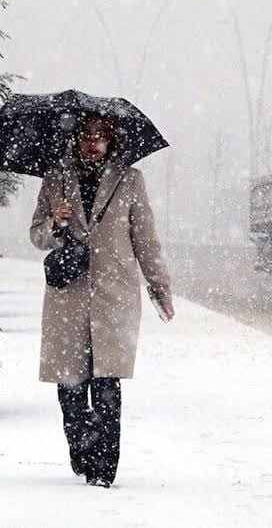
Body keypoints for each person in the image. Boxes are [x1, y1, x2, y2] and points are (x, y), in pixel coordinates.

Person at [30, 113, 175, 487]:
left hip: (115, 296)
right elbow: (36, 236)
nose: (93, 143)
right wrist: (56, 223)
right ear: (76, 140)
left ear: (112, 141)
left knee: (107, 385)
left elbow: (146, 240)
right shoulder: (55, 179)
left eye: (101, 137)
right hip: (69, 298)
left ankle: (104, 470)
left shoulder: (130, 181)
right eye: (86, 136)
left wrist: (160, 289)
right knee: (71, 388)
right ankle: (81, 451)